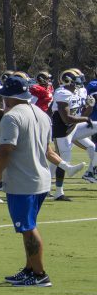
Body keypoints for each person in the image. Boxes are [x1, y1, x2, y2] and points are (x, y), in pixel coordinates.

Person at [0, 75, 57, 287]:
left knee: (27, 227)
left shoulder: (11, 117)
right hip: (41, 178)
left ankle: (39, 274)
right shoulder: (41, 113)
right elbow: (48, 150)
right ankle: (29, 269)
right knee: (29, 225)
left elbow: (6, 150)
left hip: (23, 181)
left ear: (8, 96)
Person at [48, 68, 96, 200]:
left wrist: (89, 108)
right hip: (62, 130)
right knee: (64, 159)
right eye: (77, 80)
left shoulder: (80, 91)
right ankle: (58, 192)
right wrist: (86, 119)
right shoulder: (61, 92)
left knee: (91, 146)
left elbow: (82, 114)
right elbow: (66, 118)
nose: (80, 82)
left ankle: (91, 171)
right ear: (67, 80)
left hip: (74, 127)